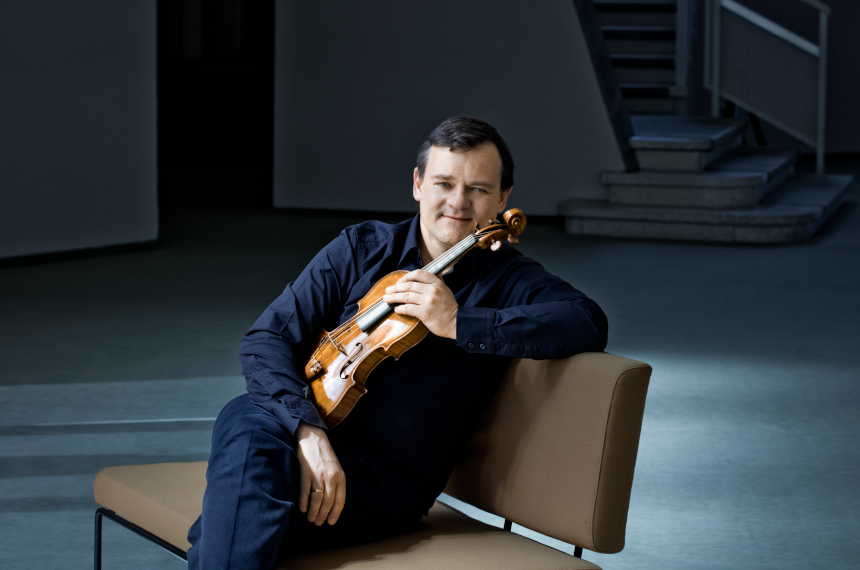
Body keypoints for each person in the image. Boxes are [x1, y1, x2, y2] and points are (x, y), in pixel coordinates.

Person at [186, 116, 608, 569]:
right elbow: (267, 338)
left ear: (502, 199)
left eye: (478, 189)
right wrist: (309, 432)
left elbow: (585, 320)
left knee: (229, 518)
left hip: (382, 484)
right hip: (303, 445)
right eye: (444, 183)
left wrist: (458, 321)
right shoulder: (361, 247)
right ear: (418, 184)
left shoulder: (510, 280)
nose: (458, 202)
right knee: (245, 419)